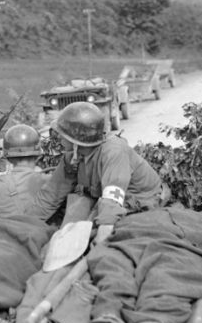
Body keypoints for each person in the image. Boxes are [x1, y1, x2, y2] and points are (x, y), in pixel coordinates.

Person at [26, 101, 163, 244]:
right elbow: (51, 195)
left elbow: (112, 202)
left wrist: (101, 240)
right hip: (99, 197)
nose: (59, 137)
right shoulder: (73, 155)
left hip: (138, 199)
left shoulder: (113, 152)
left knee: (92, 238)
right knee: (66, 233)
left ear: (77, 139)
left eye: (63, 134)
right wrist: (25, 225)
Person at [0, 123, 49, 218]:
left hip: (2, 231)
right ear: (38, 156)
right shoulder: (45, 181)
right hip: (34, 231)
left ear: (7, 158)